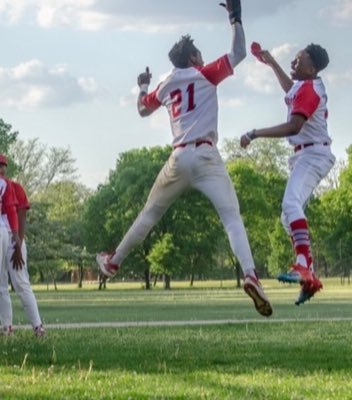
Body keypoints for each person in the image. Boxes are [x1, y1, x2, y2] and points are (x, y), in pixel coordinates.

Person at [97, 0, 272, 317]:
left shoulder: (165, 84)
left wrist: (143, 86)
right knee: (231, 217)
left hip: (178, 157)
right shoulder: (204, 73)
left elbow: (141, 109)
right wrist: (235, 18)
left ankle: (113, 262)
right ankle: (250, 274)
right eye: (199, 53)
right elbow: (239, 53)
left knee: (149, 214)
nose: (202, 56)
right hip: (206, 154)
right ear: (193, 57)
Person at [240, 42, 335, 305]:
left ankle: (304, 264)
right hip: (308, 153)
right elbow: (290, 90)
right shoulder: (305, 86)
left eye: (299, 59)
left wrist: (255, 133)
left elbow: (294, 126)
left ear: (312, 67)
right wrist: (270, 61)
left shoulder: (309, 89)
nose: (294, 62)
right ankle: (310, 277)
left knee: (290, 204)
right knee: (287, 217)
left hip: (313, 154)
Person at [0, 154, 45, 337]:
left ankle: (38, 326)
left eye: (3, 165)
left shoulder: (14, 187)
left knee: (20, 281)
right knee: (1, 283)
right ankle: (7, 327)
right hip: (3, 236)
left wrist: (19, 244)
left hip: (14, 238)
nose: (1, 168)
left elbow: (21, 215)